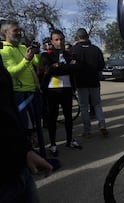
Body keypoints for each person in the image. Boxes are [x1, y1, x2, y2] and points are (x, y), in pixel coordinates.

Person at [0, 53, 53, 203]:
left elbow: (7, 112)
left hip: (18, 165)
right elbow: (14, 71)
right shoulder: (5, 52)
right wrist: (26, 59)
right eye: (14, 30)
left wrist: (25, 150)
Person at [0, 20, 48, 157]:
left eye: (19, 30)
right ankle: (27, 157)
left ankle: (40, 155)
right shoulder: (3, 50)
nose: (19, 32)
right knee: (23, 128)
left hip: (33, 91)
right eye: (15, 30)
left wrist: (36, 53)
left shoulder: (22, 46)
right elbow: (11, 72)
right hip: (19, 94)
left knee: (37, 126)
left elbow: (37, 64)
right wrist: (26, 59)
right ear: (5, 32)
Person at [40, 29, 82, 157]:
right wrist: (60, 67)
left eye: (61, 39)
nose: (60, 42)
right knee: (52, 119)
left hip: (67, 90)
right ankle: (53, 144)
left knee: (68, 117)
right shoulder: (46, 55)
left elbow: (77, 67)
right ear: (52, 41)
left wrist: (59, 66)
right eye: (57, 39)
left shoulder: (69, 54)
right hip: (52, 92)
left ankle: (69, 140)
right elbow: (48, 70)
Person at [71, 28, 108, 137]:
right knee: (97, 104)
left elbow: (71, 65)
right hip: (94, 81)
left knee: (84, 107)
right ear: (87, 36)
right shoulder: (95, 49)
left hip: (81, 82)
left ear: (78, 37)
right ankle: (102, 124)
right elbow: (101, 65)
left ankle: (87, 130)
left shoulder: (75, 50)